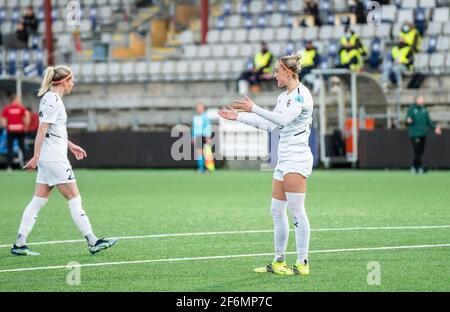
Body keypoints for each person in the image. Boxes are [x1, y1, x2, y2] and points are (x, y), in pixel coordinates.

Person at [219, 51, 313, 276]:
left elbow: (282, 120)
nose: (274, 75)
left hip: (297, 159)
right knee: (276, 210)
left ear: (289, 73)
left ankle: (303, 263)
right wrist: (240, 117)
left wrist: (254, 108)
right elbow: (271, 125)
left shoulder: (302, 95)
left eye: (277, 72)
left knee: (296, 211)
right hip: (284, 159)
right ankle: (279, 260)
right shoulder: (283, 97)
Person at [10, 65, 117, 256]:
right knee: (75, 199)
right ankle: (93, 241)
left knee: (37, 201)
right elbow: (42, 130)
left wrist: (70, 145)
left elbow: (53, 132)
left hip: (49, 157)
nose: (73, 84)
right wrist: (35, 157)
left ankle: (19, 244)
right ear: (63, 81)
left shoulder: (50, 99)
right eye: (71, 80)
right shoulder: (53, 101)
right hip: (54, 159)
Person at [406, 95, 441, 174]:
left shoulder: (424, 110)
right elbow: (407, 121)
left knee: (420, 151)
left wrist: (435, 127)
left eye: (423, 99)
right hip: (414, 134)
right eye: (421, 99)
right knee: (417, 150)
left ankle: (415, 167)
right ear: (417, 100)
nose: (422, 101)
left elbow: (428, 122)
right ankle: (420, 166)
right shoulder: (412, 109)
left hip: (423, 133)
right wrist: (408, 121)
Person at [1, 91, 30, 171]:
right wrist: (25, 127)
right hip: (20, 131)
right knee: (23, 148)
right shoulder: (22, 108)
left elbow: (3, 121)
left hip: (10, 131)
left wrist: (7, 126)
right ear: (16, 99)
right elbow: (27, 119)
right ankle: (26, 165)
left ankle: (9, 167)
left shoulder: (6, 109)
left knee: (9, 148)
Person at [192, 103, 212, 173]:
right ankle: (201, 168)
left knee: (206, 152)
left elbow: (207, 127)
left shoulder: (205, 117)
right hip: (197, 136)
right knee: (199, 153)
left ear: (203, 108)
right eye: (197, 108)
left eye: (200, 107)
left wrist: (208, 136)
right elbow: (194, 128)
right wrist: (193, 136)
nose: (198, 109)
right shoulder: (195, 117)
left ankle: (207, 168)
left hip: (204, 136)